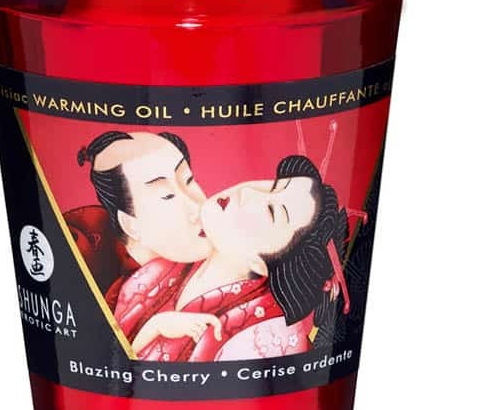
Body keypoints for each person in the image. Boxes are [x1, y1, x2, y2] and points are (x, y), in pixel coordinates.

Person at [113, 154, 350, 362]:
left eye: (271, 211)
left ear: (263, 264)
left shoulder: (263, 336)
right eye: (272, 185)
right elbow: (111, 362)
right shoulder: (164, 267)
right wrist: (156, 326)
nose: (247, 191)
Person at [75, 130, 210, 307]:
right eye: (167, 195)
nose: (197, 208)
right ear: (130, 225)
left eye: (189, 180)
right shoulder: (119, 299)